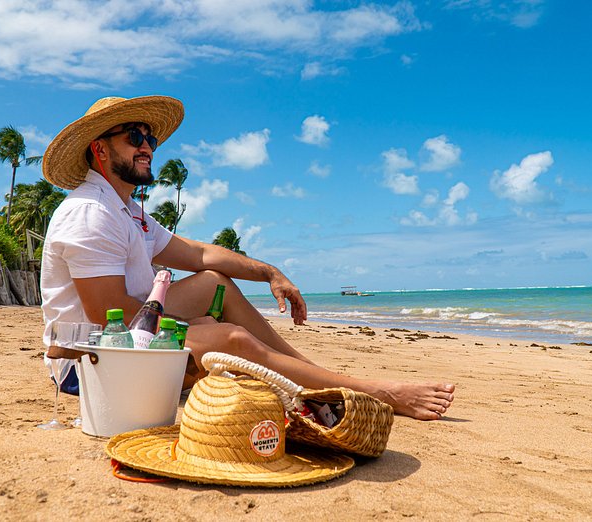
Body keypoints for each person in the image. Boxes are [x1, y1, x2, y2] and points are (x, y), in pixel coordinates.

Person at [40, 95, 455, 420]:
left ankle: (312, 376)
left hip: (128, 341)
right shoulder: (90, 213)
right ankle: (371, 391)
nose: (148, 146)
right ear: (99, 149)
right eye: (134, 137)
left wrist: (269, 272)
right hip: (91, 366)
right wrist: (197, 330)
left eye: (150, 138)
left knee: (213, 284)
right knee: (231, 340)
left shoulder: (129, 213)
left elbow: (201, 254)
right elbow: (109, 321)